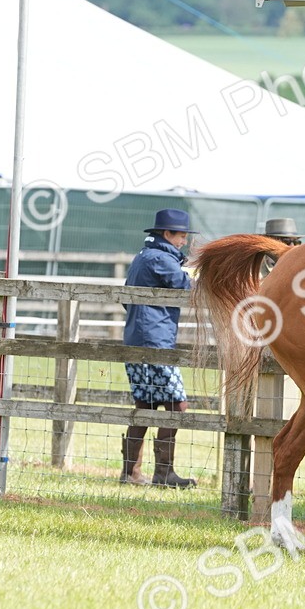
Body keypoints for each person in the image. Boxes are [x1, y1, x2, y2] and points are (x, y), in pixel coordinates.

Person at [120, 207, 198, 488]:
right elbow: (187, 286)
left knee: (145, 403)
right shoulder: (161, 259)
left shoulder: (143, 256)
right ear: (167, 234)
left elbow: (126, 299)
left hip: (139, 337)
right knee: (177, 404)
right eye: (181, 236)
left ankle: (130, 472)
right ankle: (163, 473)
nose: (184, 242)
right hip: (155, 342)